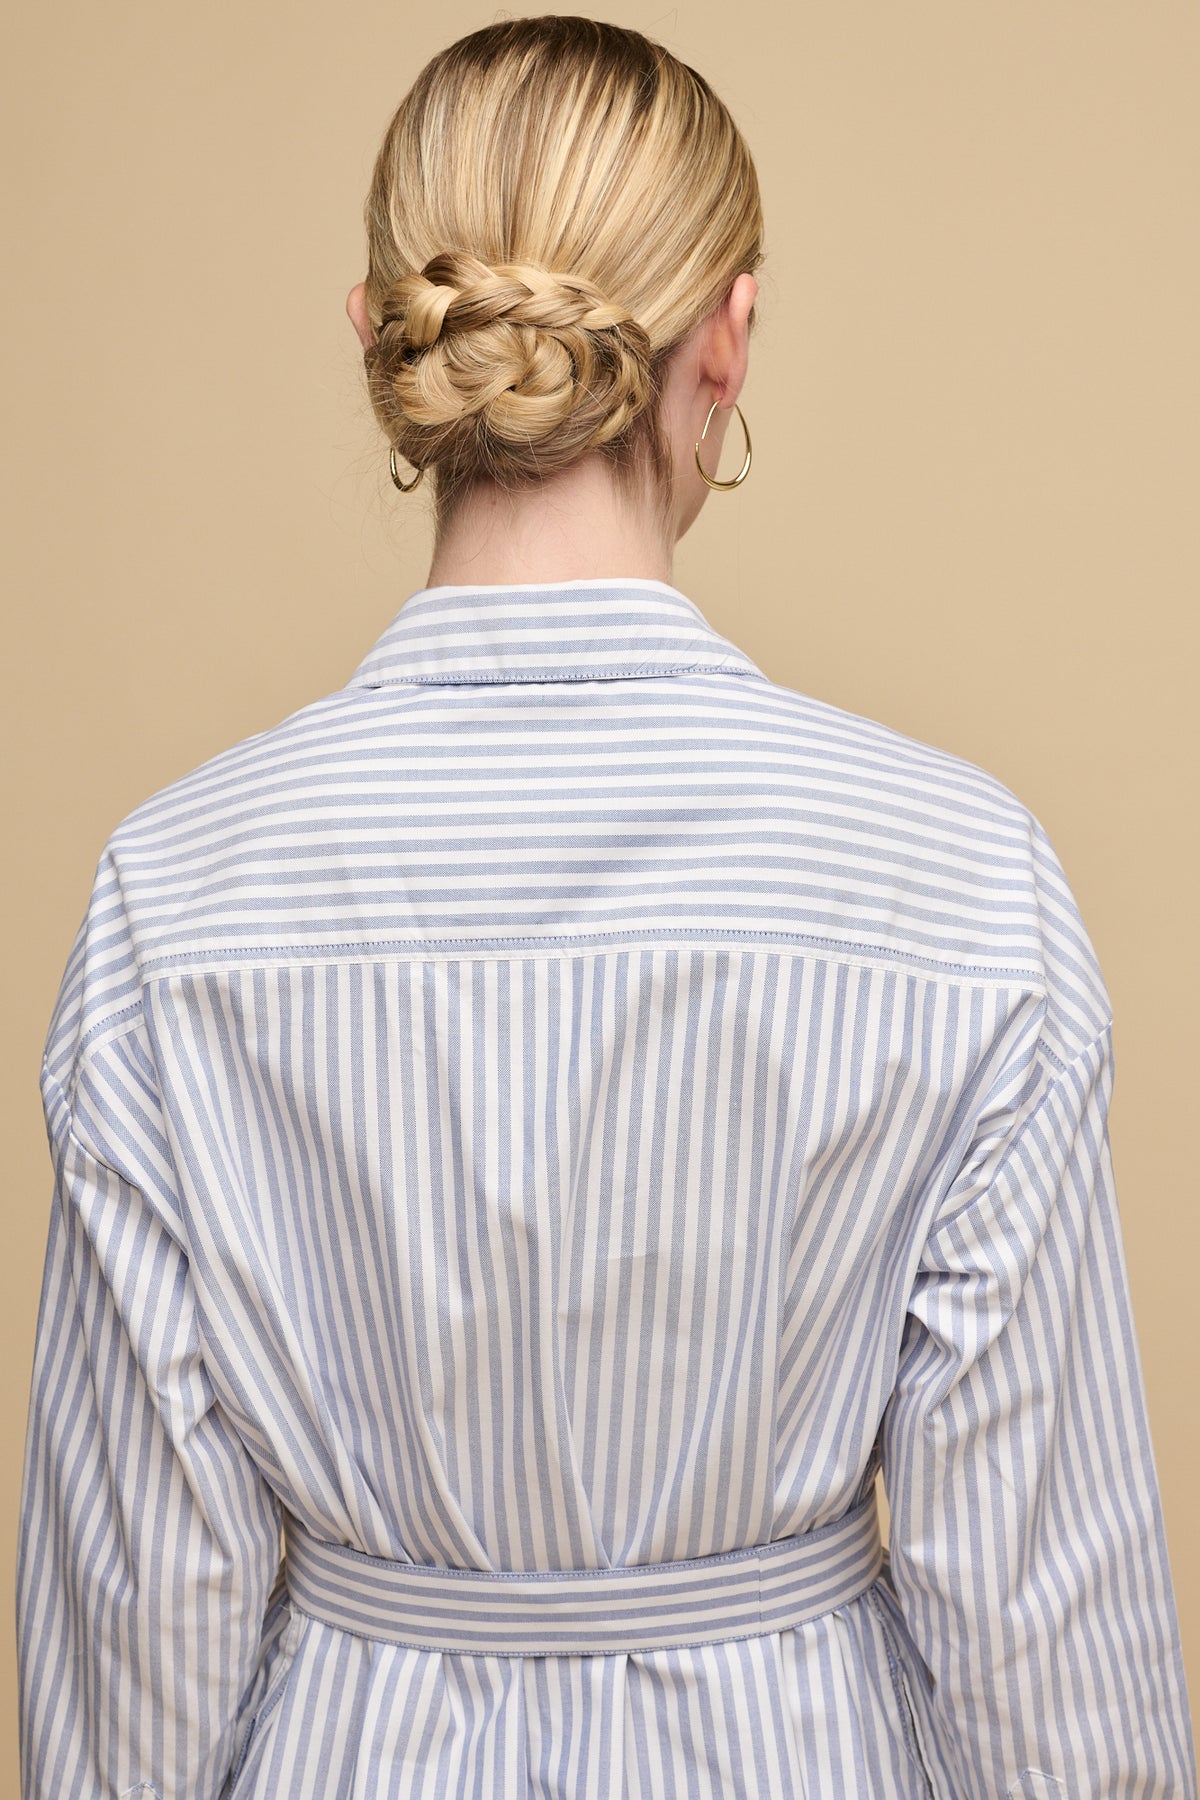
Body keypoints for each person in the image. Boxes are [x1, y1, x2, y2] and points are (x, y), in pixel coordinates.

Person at [15, 15, 1196, 1799]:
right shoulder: (960, 877)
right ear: (729, 337)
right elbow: (1052, 1656)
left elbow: (131, 1652)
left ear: (382, 335)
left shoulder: (173, 897)